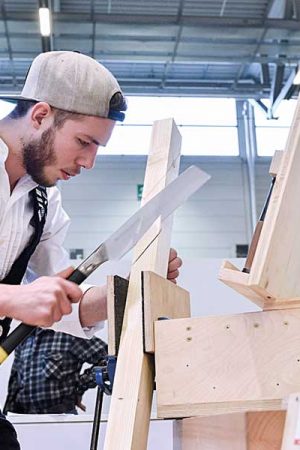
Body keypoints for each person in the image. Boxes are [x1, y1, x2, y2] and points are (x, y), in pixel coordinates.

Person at [0, 50, 182, 449]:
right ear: (40, 115)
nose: (89, 162)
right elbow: (23, 299)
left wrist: (130, 288)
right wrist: (13, 297)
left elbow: (61, 307)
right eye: (84, 141)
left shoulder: (44, 205)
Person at [4, 329, 108, 415]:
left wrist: (79, 386)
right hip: (25, 419)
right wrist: (6, 416)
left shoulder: (69, 334)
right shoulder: (23, 338)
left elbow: (108, 359)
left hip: (60, 417)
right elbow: (15, 381)